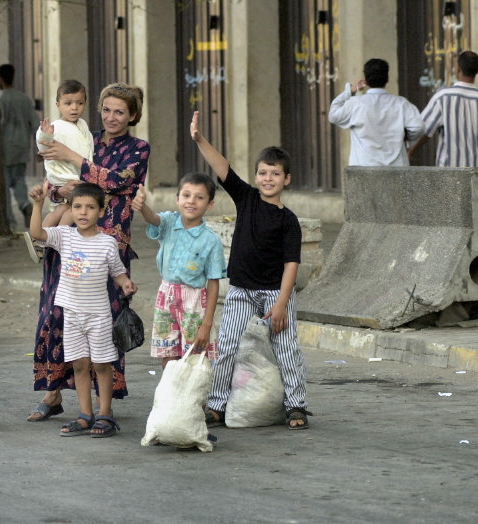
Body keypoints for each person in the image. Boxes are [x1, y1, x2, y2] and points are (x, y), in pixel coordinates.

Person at [26, 83, 150, 422]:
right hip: (68, 243)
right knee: (58, 314)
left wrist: (71, 158)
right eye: (106, 110)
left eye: (120, 112)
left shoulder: (138, 148)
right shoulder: (84, 136)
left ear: (132, 116)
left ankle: (100, 405)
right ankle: (54, 392)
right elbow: (56, 181)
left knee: (102, 323)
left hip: (108, 246)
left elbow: (118, 180)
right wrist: (57, 188)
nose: (111, 117)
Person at [189, 110, 312, 430]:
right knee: (227, 346)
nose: (267, 178)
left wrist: (282, 304)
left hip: (275, 294)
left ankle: (296, 405)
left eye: (274, 173)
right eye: (262, 172)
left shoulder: (289, 221)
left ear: (287, 179)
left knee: (287, 350)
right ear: (255, 176)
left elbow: (291, 265)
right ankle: (216, 405)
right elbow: (222, 167)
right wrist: (200, 139)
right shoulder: (246, 198)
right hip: (241, 290)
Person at [28, 182, 136, 437]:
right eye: (77, 207)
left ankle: (105, 415)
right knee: (79, 364)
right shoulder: (64, 235)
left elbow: (118, 273)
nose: (83, 212)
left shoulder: (107, 244)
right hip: (72, 314)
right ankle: (85, 415)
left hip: (99, 316)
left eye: (90, 207)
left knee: (101, 365)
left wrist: (126, 284)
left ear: (101, 211)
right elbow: (37, 233)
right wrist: (37, 204)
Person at [131, 174, 226, 368]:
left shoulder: (211, 240)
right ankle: (171, 396)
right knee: (168, 353)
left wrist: (207, 323)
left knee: (194, 356)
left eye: (199, 197)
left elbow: (214, 283)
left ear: (210, 204)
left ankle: (194, 397)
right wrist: (142, 207)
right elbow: (153, 218)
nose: (191, 201)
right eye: (186, 195)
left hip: (195, 302)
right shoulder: (169, 223)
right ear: (177, 199)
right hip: (166, 296)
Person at [409, 51, 478, 191]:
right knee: (473, 212)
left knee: (448, 212)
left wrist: (411, 151)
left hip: (448, 175)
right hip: (476, 177)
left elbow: (424, 130)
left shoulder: (443, 97)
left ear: (458, 69)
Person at [24, 79, 94, 263]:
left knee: (64, 208)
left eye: (80, 103)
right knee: (71, 209)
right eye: (68, 103)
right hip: (64, 175)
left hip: (76, 174)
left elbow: (87, 146)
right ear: (58, 105)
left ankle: (42, 236)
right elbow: (43, 144)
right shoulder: (56, 126)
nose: (74, 108)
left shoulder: (82, 125)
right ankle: (57, 237)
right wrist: (46, 133)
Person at [328, 58, 424, 167]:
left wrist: (350, 91)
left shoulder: (356, 103)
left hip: (364, 168)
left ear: (366, 80)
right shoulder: (401, 103)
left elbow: (333, 115)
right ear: (387, 78)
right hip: (397, 169)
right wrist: (406, 138)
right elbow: (418, 127)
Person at [0, 64, 40, 229]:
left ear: (0, 79)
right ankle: (25, 205)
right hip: (21, 147)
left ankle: (10, 221)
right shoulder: (25, 99)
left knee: (5, 185)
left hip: (5, 149)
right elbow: (35, 124)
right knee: (19, 180)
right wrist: (41, 147)